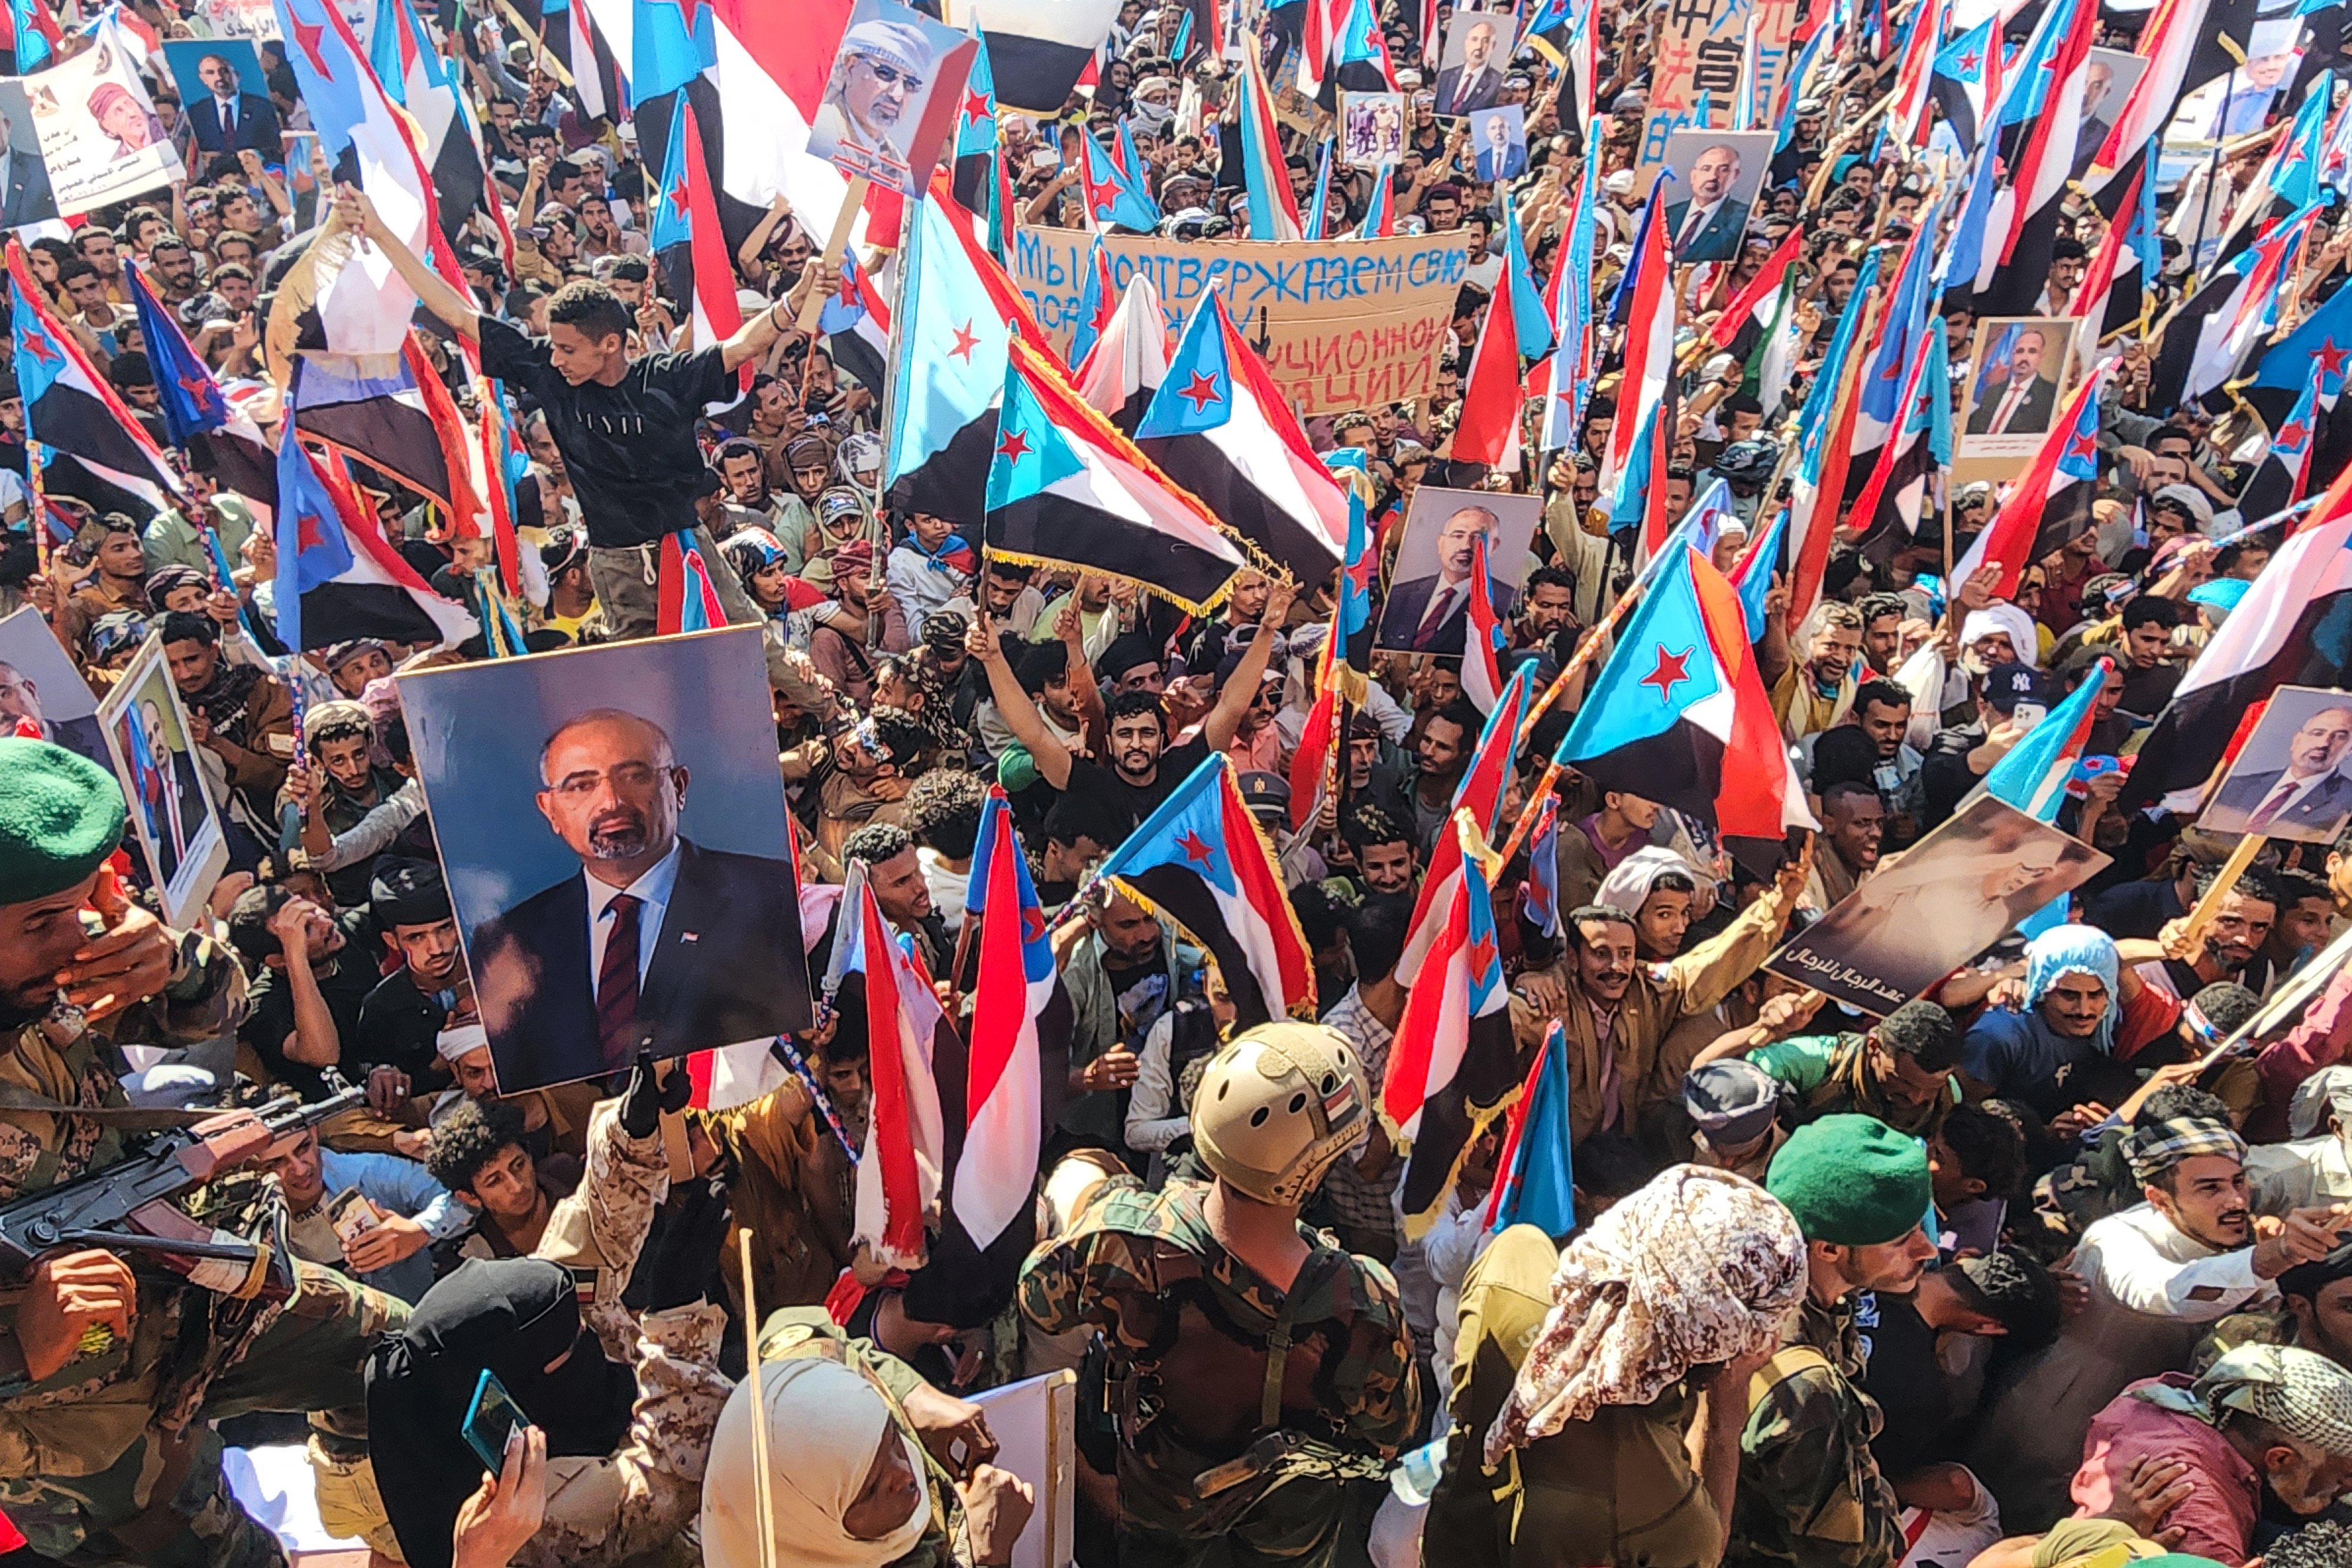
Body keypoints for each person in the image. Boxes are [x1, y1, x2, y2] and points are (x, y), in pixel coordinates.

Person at [0, 737, 409, 1566]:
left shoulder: (50, 974)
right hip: (84, 1432)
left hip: (189, 1282)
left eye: (81, 904)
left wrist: (171, 962)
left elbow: (217, 1003)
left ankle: (382, 1522)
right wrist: (16, 1349)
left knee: (403, 1355)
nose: (71, 935)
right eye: (42, 922)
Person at [1019, 1021, 1421, 1567]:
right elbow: (1393, 1427)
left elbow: (1037, 1297)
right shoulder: (1365, 1301)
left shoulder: (1123, 1243)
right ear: (1313, 1171)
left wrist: (1113, 1205)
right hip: (1291, 1528)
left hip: (1164, 1509)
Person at [332, 185, 806, 642]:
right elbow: (457, 315)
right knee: (645, 683)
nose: (556, 358)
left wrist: (794, 302)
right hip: (616, 565)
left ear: (610, 344)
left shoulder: (665, 377)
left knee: (751, 648)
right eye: (553, 346)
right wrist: (378, 233)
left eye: (568, 349)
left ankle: (829, 712)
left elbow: (741, 346)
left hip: (686, 548)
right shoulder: (548, 371)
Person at [1432, 1165, 1805, 1568]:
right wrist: (1723, 1420)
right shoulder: (1666, 1510)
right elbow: (1706, 1548)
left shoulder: (1513, 1265)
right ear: (1719, 1342)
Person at [466, 708, 810, 1087]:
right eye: (581, 785)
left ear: (679, 787)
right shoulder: (510, 940)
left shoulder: (769, 896)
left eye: (634, 776)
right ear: (550, 810)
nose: (612, 801)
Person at [366, 1256, 732, 1568]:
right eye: (572, 1346)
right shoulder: (514, 1509)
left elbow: (586, 1247)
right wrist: (679, 1324)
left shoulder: (475, 1384)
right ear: (513, 1380)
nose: (590, 1345)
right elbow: (672, 1478)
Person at [1736, 1114, 1937, 1568]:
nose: (1926, 1250)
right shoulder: (1800, 1383)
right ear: (1829, 1248)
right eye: (1903, 1239)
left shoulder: (1807, 1292)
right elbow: (1848, 1555)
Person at [2066, 1343, 2352, 1563]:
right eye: (2344, 1476)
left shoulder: (2160, 1396)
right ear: (2280, 1458)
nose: (2348, 1486)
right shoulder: (2204, 1527)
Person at [1379, 503, 1515, 656]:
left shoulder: (1504, 601)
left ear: (1494, 546)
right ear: (1440, 542)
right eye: (1458, 535)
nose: (1465, 546)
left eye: (1477, 538)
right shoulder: (1401, 594)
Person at [810, 19, 936, 182]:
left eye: (910, 84)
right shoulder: (818, 132)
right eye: (885, 73)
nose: (897, 95)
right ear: (851, 68)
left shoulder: (900, 170)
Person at [2204, 704, 2352, 837]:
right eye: (2317, 733)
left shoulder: (2346, 801)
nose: (2324, 743)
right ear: (2297, 739)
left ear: (2349, 750)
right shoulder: (2237, 785)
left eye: (2340, 737)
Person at [1666, 143, 1753, 263]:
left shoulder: (1743, 219)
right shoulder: (1667, 214)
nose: (1713, 176)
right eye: (1706, 169)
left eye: (1723, 170)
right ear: (1693, 175)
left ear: (1735, 175)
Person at [1967, 327, 2061, 436]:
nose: (2024, 358)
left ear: (2041, 357)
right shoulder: (1991, 392)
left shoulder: (2051, 395)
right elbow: (1972, 429)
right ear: (2012, 355)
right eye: (2020, 351)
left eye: (2032, 351)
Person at [184, 52, 280, 155]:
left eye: (224, 71)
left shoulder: (264, 107)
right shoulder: (195, 113)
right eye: (210, 73)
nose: (219, 77)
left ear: (237, 76)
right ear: (204, 79)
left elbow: (278, 148)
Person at [1435, 16, 1503, 113]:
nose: (1479, 46)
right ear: (1466, 43)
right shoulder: (1446, 76)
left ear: (1493, 46)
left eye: (1486, 41)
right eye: (1475, 39)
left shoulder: (1498, 82)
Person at [1474, 111, 1524, 182]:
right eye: (1493, 128)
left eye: (1502, 127)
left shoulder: (1521, 153)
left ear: (1509, 130)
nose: (1498, 132)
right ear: (1487, 133)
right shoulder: (1481, 159)